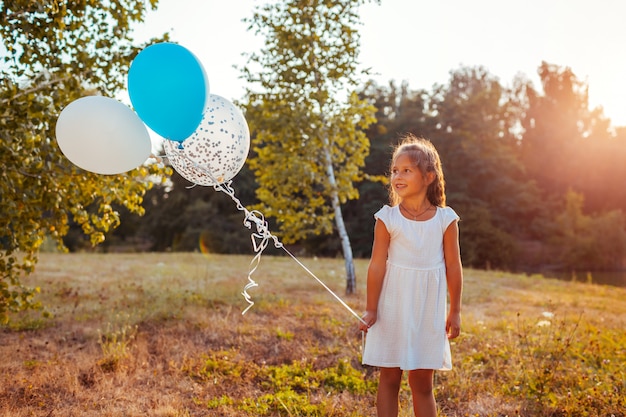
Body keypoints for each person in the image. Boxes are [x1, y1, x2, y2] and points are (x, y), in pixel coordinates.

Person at [359, 134, 463, 417]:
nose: (397, 176)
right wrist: (371, 309)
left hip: (427, 311)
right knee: (389, 377)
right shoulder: (387, 218)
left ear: (429, 176)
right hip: (392, 307)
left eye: (406, 170)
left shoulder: (445, 220)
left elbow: (454, 267)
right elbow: (377, 265)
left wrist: (454, 311)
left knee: (422, 383)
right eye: (394, 170)